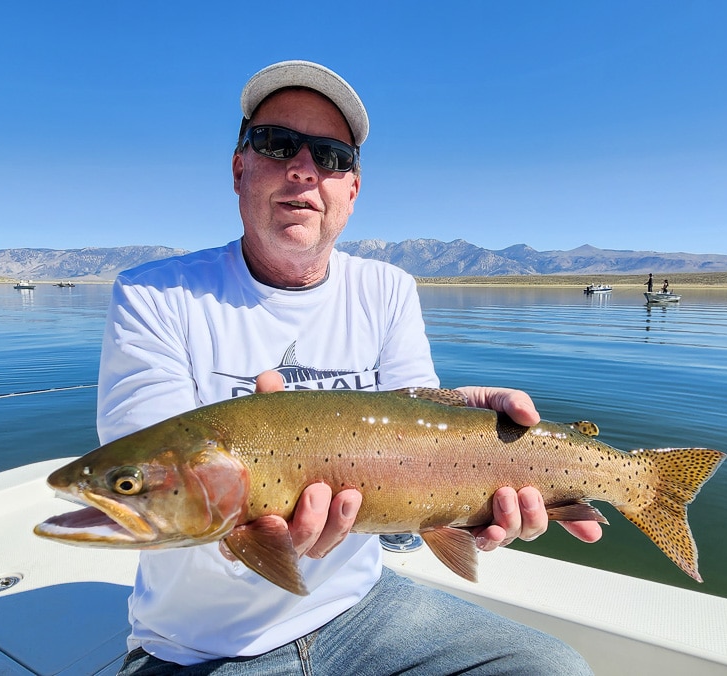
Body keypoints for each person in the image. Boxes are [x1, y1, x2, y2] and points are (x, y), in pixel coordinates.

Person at [100, 60, 602, 675]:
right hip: (204, 647)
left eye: (332, 156)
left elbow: (420, 445)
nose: (303, 168)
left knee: (556, 669)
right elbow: (154, 497)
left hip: (361, 607)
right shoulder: (153, 295)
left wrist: (471, 503)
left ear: (352, 189)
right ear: (239, 168)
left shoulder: (387, 288)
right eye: (276, 143)